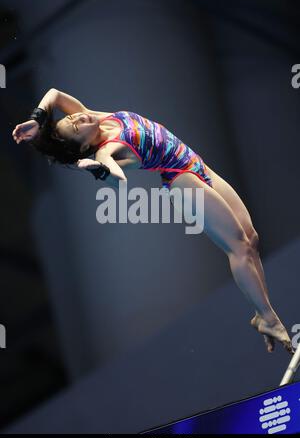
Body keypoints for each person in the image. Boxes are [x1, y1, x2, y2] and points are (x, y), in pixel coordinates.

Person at [12, 88, 294, 355]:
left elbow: (56, 94)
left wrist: (38, 120)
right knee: (238, 247)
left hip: (195, 162)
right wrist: (99, 171)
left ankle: (262, 312)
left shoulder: (97, 117)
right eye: (75, 126)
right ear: (85, 144)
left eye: (71, 117)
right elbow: (118, 178)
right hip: (182, 179)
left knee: (251, 238)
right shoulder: (104, 150)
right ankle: (268, 318)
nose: (77, 117)